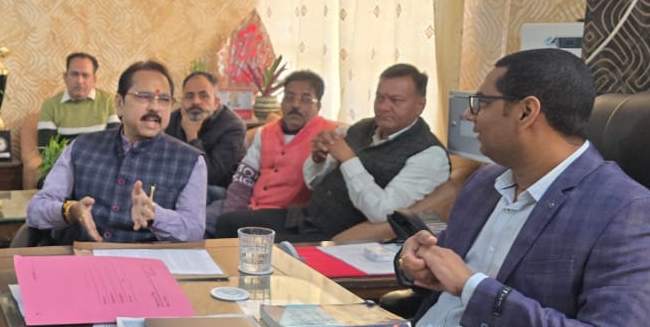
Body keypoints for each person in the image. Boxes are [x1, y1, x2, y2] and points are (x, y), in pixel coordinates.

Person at [396, 49, 650, 327]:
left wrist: (474, 288)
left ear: (526, 112)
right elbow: (444, 274)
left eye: (481, 103)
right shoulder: (485, 183)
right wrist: (414, 264)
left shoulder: (628, 211)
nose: (469, 115)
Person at [216, 63, 449, 242]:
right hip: (305, 218)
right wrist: (319, 158)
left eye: (395, 100)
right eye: (380, 98)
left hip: (338, 235)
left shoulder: (429, 155)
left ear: (420, 105)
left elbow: (383, 212)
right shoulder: (363, 128)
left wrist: (348, 159)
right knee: (228, 223)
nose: (383, 107)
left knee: (248, 241)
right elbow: (313, 180)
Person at [26, 60, 206, 243]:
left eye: (164, 99)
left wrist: (155, 214)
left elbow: (194, 231)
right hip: (84, 255)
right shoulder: (81, 146)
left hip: (148, 259)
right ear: (119, 103)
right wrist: (70, 211)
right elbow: (36, 209)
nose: (155, 106)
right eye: (144, 96)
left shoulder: (190, 160)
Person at [220, 70, 337, 213]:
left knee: (218, 220)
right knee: (206, 208)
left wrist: (231, 220)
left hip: (288, 216)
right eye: (289, 97)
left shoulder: (328, 136)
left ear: (318, 107)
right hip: (250, 207)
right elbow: (243, 178)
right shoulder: (265, 132)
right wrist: (233, 211)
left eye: (305, 99)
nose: (295, 105)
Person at [164, 70, 247, 201]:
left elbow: (210, 176)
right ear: (182, 101)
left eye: (204, 96)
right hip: (178, 184)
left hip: (219, 189)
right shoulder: (172, 120)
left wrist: (192, 136)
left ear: (216, 102)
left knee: (195, 192)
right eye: (189, 96)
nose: (196, 101)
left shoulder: (233, 127)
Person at [36, 52, 121, 150]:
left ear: (94, 79)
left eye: (85, 75)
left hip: (100, 158)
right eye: (74, 74)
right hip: (65, 159)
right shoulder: (50, 106)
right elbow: (45, 149)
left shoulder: (109, 101)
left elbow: (116, 144)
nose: (79, 81)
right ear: (65, 77)